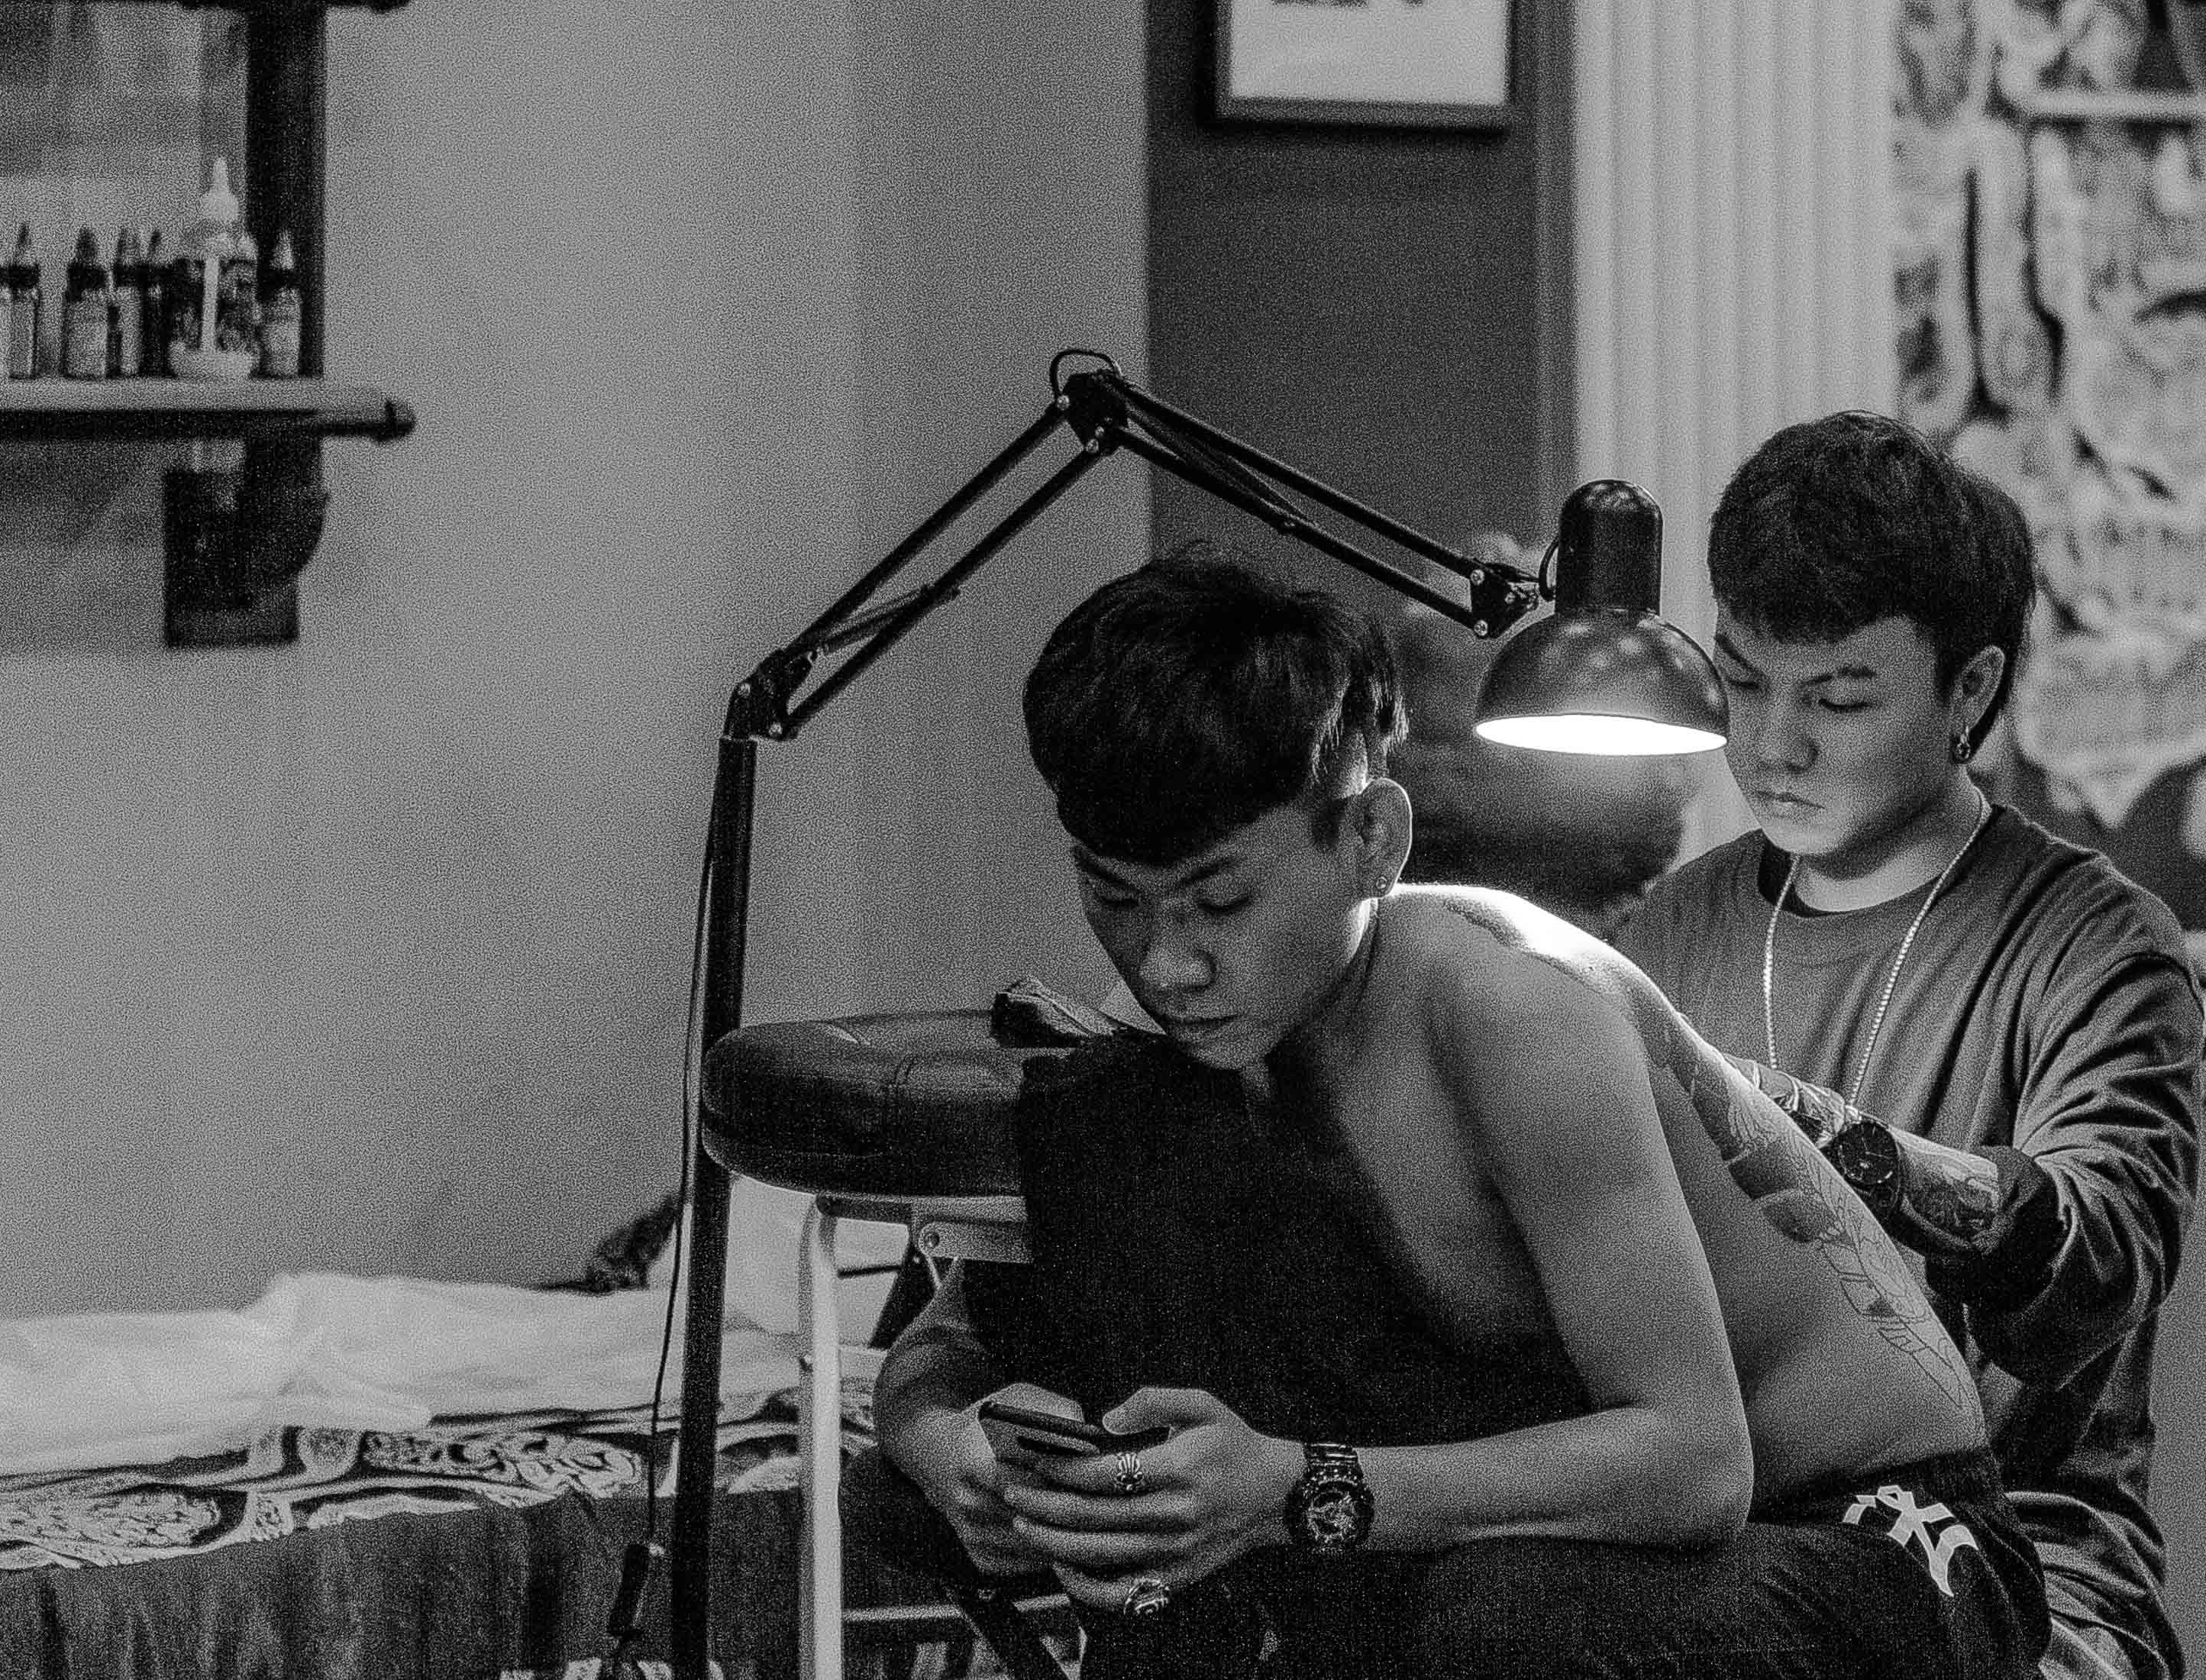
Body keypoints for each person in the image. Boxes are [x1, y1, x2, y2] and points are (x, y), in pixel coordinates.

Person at [867, 550, 2047, 1680]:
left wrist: (1293, 1488)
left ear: (1374, 838)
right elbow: (942, 1347)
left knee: (1487, 1617)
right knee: (966, 1502)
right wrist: (960, 1457)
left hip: (1885, 1540)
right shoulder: (1175, 1040)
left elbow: (1694, 1464)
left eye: (1220, 900)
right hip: (1606, 1545)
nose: (1168, 964)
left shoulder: (1507, 1009)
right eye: (1114, 899)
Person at [1613, 414, 2204, 1680]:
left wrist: (1818, 1140)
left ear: (1971, 692)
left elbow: (2101, 1256)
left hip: (2021, 1560)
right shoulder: (1676, 929)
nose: (1771, 745)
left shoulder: (2092, 944)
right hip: (1736, 1528)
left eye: (1837, 698)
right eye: (1743, 680)